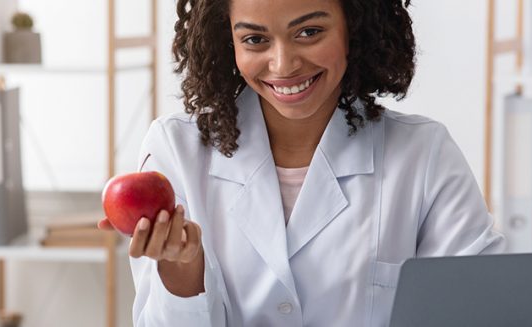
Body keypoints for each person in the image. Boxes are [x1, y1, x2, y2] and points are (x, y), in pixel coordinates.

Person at [97, 0, 504, 325]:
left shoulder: (424, 154)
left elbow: (481, 308)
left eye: (309, 32)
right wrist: (182, 270)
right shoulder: (176, 149)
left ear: (354, 26)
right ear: (228, 42)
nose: (283, 64)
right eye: (255, 39)